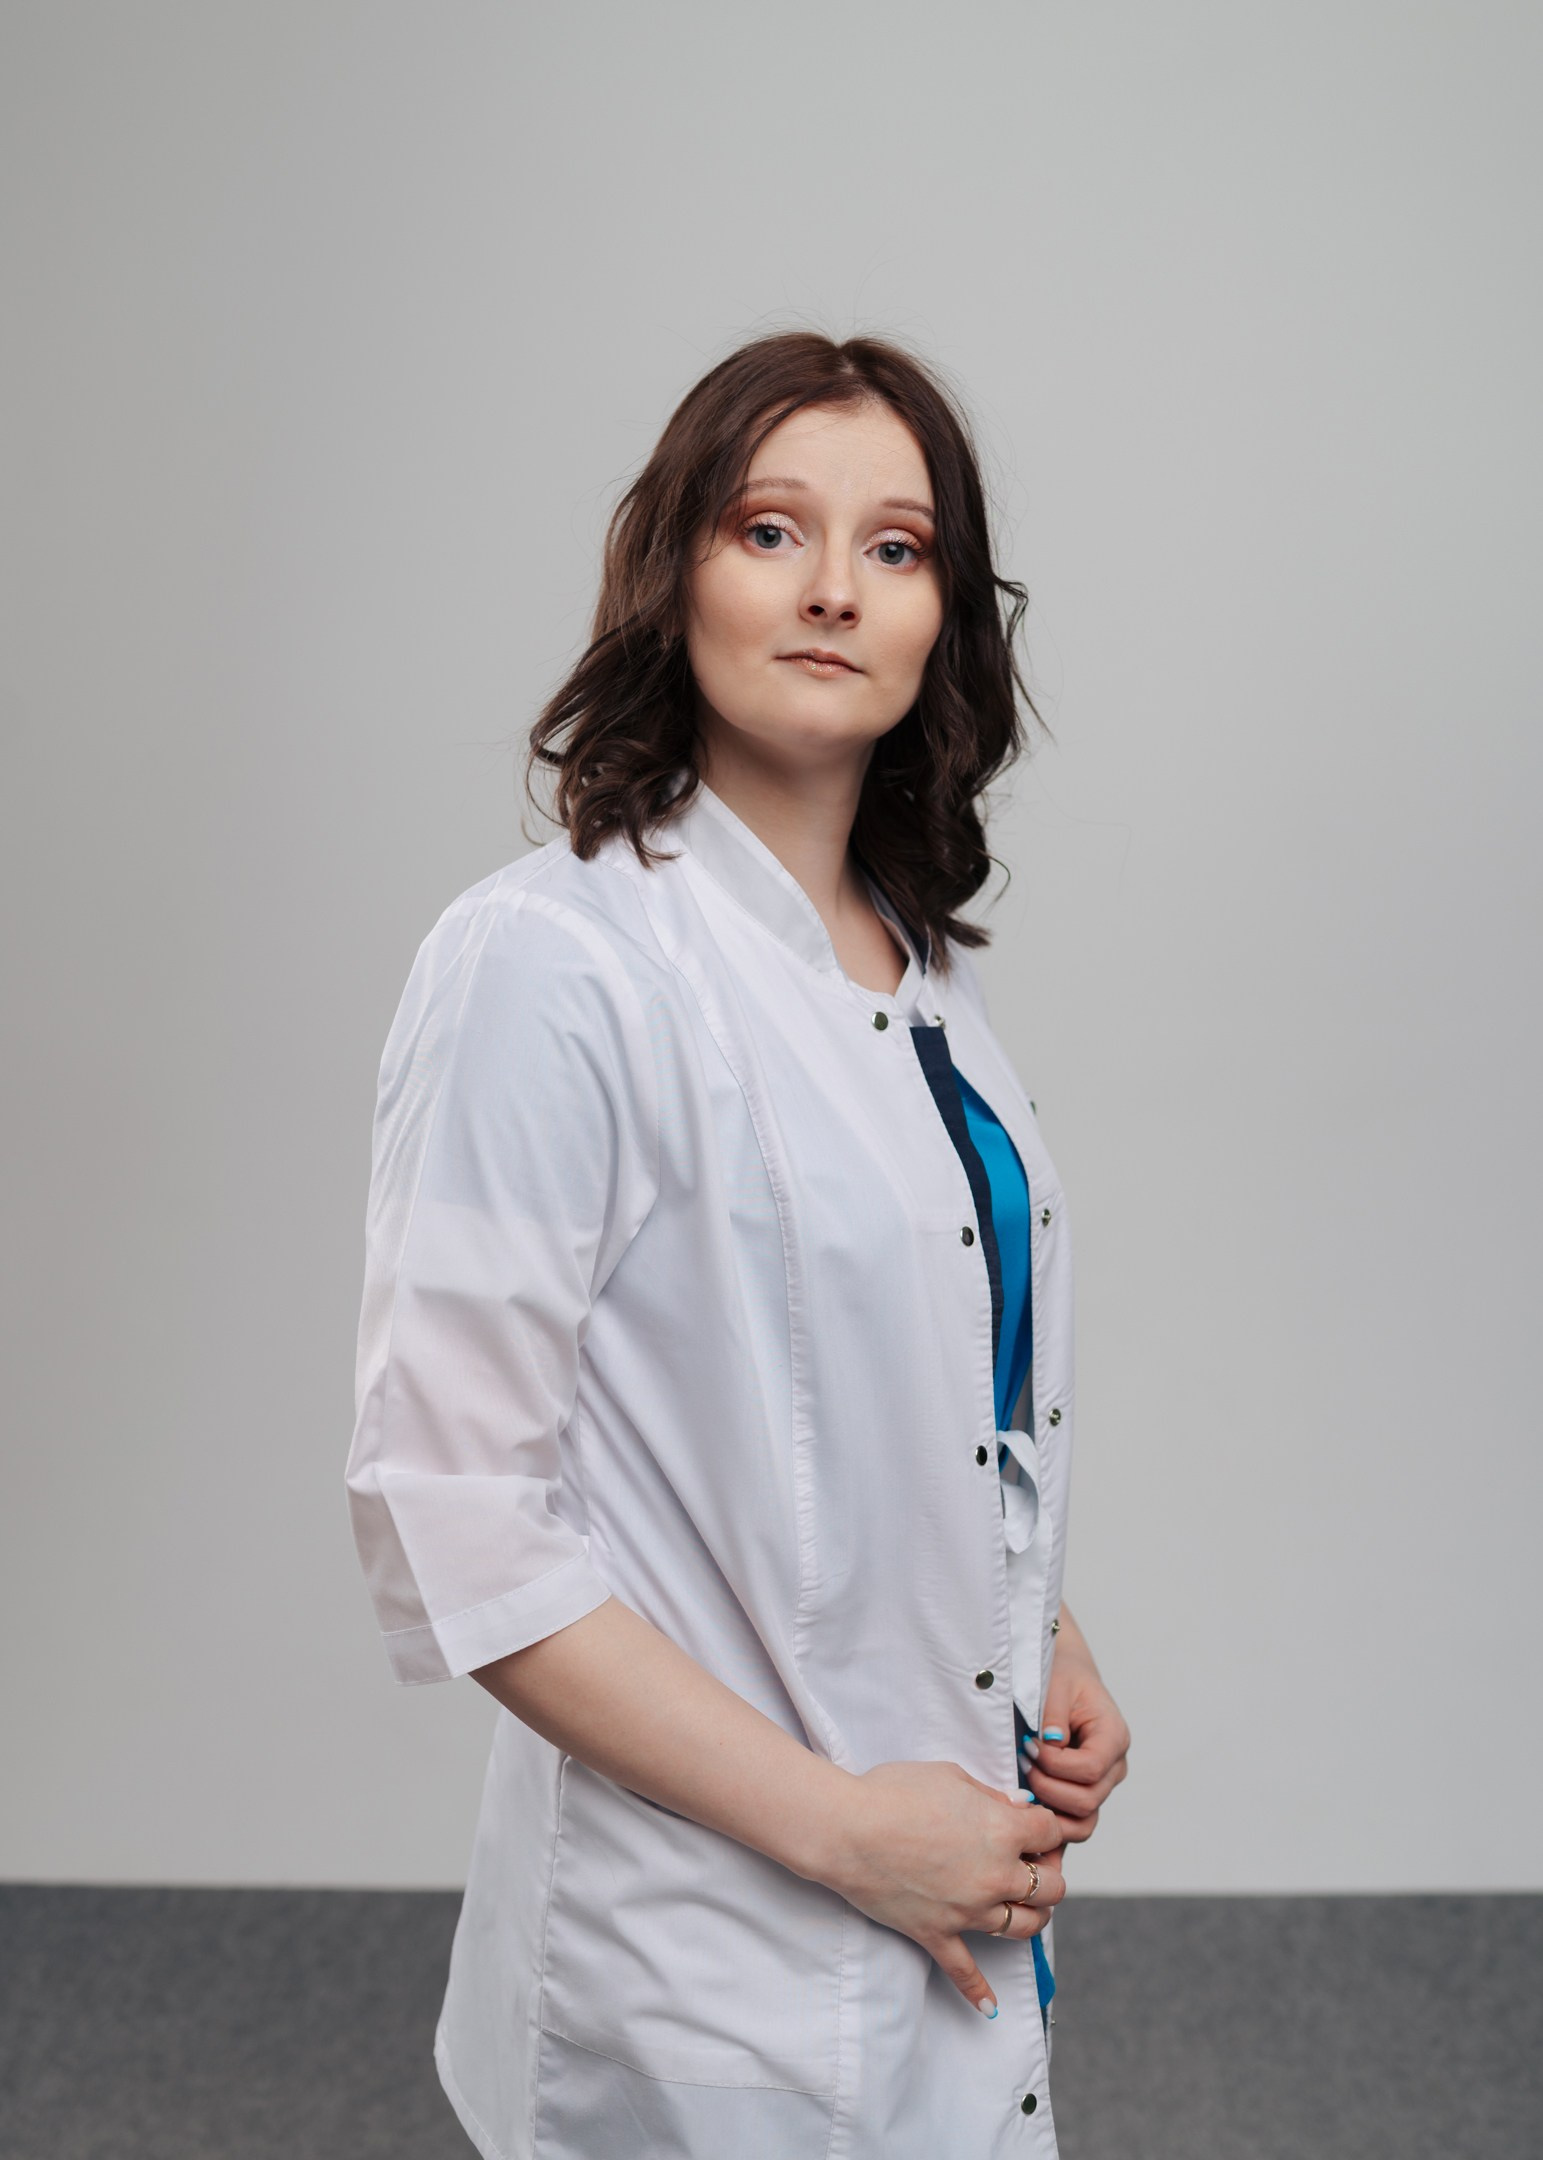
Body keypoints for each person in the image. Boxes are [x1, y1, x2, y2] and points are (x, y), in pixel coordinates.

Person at [345, 330, 1131, 2160]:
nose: (834, 587)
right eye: (772, 529)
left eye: (896, 546)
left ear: (943, 618)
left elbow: (897, 1380)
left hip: (949, 1904)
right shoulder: (552, 961)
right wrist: (848, 1833)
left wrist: (1042, 1623)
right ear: (674, 570)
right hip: (699, 1957)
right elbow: (448, 1507)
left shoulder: (918, 971)